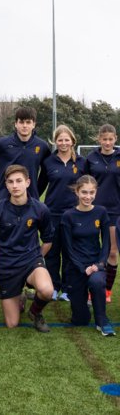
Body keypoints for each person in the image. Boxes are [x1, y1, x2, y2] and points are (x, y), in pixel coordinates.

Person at [0, 165, 54, 332]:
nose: (15, 185)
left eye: (19, 181)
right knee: (12, 324)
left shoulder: (40, 209)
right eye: (10, 182)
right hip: (8, 265)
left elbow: (48, 240)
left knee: (47, 290)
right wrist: (2, 259)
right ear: (6, 185)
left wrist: (37, 258)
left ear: (28, 182)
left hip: (31, 261)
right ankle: (20, 296)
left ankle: (35, 312)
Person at [61, 175, 115, 336]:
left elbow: (106, 243)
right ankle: (84, 303)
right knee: (81, 320)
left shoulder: (101, 212)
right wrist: (82, 268)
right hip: (75, 268)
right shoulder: (68, 216)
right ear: (77, 192)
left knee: (97, 281)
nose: (88, 196)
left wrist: (99, 265)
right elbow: (67, 249)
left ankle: (102, 321)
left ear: (96, 193)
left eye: (92, 192)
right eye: (84, 192)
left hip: (94, 264)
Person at [38, 125, 86, 301]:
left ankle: (67, 288)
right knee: (52, 252)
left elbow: (88, 186)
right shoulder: (49, 161)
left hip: (74, 214)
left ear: (72, 141)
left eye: (67, 139)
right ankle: (54, 287)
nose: (63, 143)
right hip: (52, 213)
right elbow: (40, 186)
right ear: (55, 141)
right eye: (60, 140)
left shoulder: (81, 162)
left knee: (69, 252)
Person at [86, 124, 120, 303]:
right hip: (93, 211)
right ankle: (93, 289)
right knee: (94, 251)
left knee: (112, 253)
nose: (107, 142)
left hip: (115, 211)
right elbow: (84, 184)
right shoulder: (91, 158)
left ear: (115, 139)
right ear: (99, 139)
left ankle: (106, 290)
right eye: (104, 139)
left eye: (110, 139)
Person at [0, 106, 50, 201]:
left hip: (31, 199)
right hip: (5, 199)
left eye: (28, 122)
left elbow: (46, 172)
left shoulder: (42, 146)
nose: (25, 126)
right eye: (21, 122)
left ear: (34, 124)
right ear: (15, 124)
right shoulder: (1, 144)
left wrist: (36, 191)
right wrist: (1, 171)